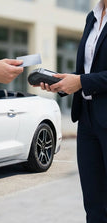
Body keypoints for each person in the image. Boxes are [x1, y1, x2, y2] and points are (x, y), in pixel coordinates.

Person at [38, 1, 107, 222]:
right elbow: (85, 70)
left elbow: (84, 78)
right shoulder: (92, 17)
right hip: (87, 119)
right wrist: (62, 83)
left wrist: (81, 81)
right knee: (93, 201)